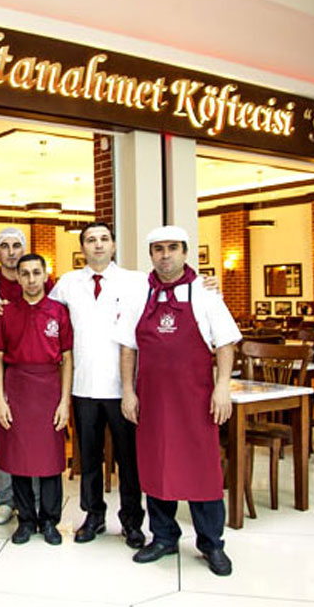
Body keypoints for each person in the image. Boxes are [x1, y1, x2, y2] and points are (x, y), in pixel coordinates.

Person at [116, 225, 240, 577]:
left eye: (172, 248)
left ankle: (212, 544)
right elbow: (128, 348)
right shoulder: (139, 294)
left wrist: (222, 387)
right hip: (153, 401)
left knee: (202, 471)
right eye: (158, 249)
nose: (165, 255)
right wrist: (128, 391)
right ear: (151, 254)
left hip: (195, 401)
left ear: (185, 252)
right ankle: (164, 537)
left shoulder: (205, 292)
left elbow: (225, 343)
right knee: (156, 468)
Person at [48, 222, 146, 547]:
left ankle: (132, 521)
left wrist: (207, 285)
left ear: (114, 245)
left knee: (128, 460)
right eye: (91, 240)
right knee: (88, 458)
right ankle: (94, 516)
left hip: (122, 388)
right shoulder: (68, 283)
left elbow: (170, 288)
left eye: (104, 239)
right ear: (83, 248)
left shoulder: (135, 281)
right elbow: (45, 313)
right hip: (84, 386)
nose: (98, 244)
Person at [0, 254, 73, 545]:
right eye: (24, 273)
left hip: (49, 389)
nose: (31, 279)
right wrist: (0, 400)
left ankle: (49, 520)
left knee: (51, 460)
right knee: (19, 458)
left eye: (36, 272)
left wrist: (64, 402)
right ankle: (25, 520)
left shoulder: (58, 312)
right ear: (18, 277)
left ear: (45, 275)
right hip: (17, 389)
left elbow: (67, 358)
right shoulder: (7, 312)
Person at [0, 227, 54, 525]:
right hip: (4, 371)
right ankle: (5, 500)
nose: (11, 252)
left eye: (17, 246)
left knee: (36, 438)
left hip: (39, 377)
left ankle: (35, 501)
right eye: (5, 246)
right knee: (3, 434)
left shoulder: (47, 286)